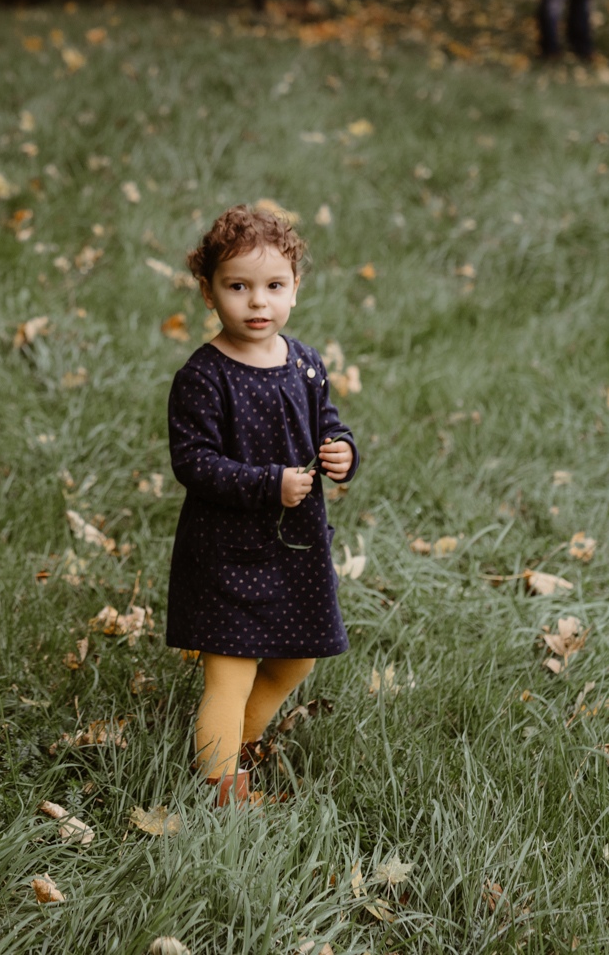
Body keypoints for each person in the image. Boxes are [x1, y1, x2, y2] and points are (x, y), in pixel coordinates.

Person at [165, 204, 358, 805]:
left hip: (293, 547)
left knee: (299, 657)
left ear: (295, 290)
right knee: (232, 669)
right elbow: (193, 462)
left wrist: (343, 452)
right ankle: (221, 784)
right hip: (226, 552)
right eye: (238, 287)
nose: (257, 303)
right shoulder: (204, 377)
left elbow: (327, 421)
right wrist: (267, 483)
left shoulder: (303, 364)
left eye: (273, 287)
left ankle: (240, 737)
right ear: (209, 291)